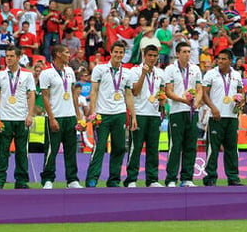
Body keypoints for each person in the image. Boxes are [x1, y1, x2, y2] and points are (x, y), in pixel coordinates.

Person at [85, 41, 135, 187]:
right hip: (102, 114)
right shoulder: (100, 69)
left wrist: (133, 116)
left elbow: (129, 95)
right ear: (111, 53)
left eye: (121, 52)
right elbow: (93, 91)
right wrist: (93, 111)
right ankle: (92, 178)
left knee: (119, 148)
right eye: (116, 52)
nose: (118, 55)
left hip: (119, 114)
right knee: (99, 148)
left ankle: (113, 180)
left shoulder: (127, 72)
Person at [0, 46, 35, 189]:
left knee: (22, 151)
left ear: (18, 57)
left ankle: (21, 181)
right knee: (2, 151)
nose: (8, 58)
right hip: (5, 119)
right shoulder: (0, 75)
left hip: (22, 118)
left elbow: (31, 95)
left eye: (11, 56)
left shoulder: (27, 75)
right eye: (7, 56)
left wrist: (30, 114)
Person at [40, 45, 83, 189]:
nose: (69, 54)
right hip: (55, 116)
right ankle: (48, 179)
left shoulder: (70, 71)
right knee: (51, 149)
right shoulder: (46, 73)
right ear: (58, 54)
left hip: (70, 116)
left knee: (71, 149)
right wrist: (51, 118)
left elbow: (73, 94)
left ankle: (72, 179)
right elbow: (45, 97)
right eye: (66, 52)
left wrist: (78, 116)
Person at [201, 50, 244, 186]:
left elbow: (240, 93)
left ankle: (233, 178)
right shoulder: (211, 74)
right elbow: (204, 94)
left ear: (230, 60)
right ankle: (210, 178)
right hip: (216, 116)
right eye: (219, 58)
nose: (220, 61)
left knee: (232, 148)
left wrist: (240, 102)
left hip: (232, 116)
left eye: (224, 59)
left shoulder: (236, 75)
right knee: (212, 148)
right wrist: (213, 108)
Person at [163, 41, 203, 187]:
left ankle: (187, 178)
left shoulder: (196, 69)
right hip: (177, 111)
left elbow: (199, 89)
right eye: (184, 52)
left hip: (192, 111)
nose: (187, 54)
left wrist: (196, 103)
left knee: (191, 145)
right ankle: (171, 178)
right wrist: (183, 100)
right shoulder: (170, 69)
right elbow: (168, 91)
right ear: (177, 54)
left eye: (189, 51)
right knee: (175, 145)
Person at [124, 44, 163, 188]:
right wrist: (143, 74)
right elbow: (134, 91)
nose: (152, 58)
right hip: (139, 113)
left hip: (154, 114)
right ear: (144, 56)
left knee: (153, 148)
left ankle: (152, 179)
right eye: (150, 55)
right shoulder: (134, 71)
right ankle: (131, 179)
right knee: (136, 147)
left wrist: (162, 100)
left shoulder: (160, 72)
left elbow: (161, 92)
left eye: (155, 56)